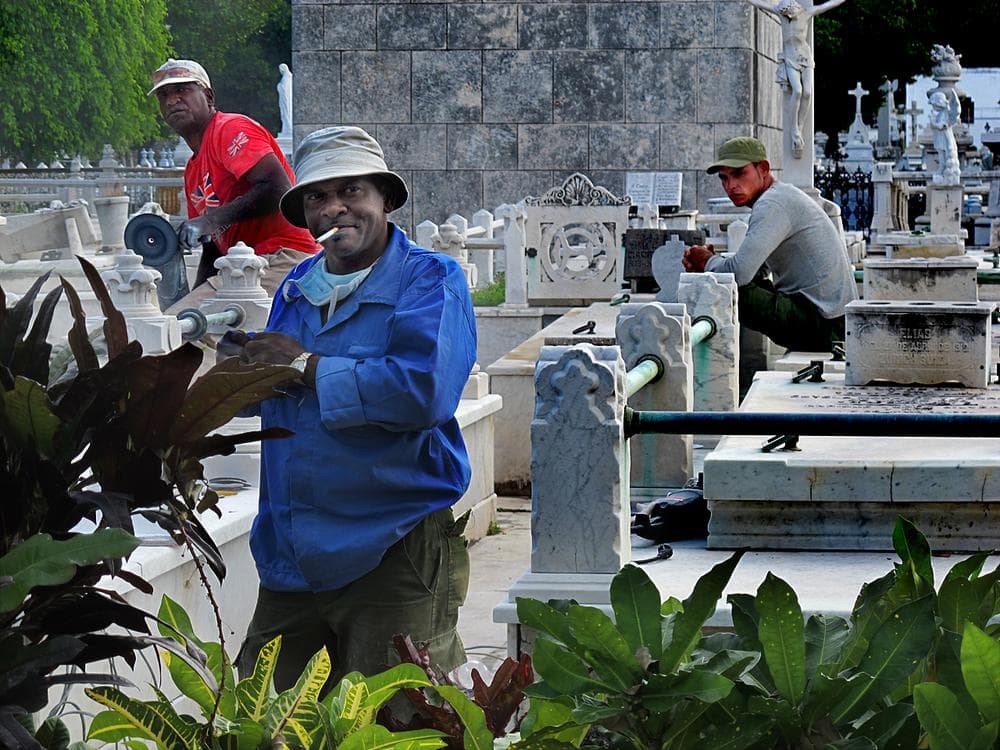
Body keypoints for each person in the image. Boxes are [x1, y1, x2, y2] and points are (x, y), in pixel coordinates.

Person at [220, 126, 478, 690]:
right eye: (317, 196)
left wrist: (306, 365)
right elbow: (286, 387)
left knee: (397, 723)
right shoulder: (296, 287)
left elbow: (424, 391)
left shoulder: (430, 281)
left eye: (353, 191)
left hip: (391, 547)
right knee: (260, 720)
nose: (336, 208)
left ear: (384, 198)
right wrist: (246, 371)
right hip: (292, 554)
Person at [147, 58, 318, 312]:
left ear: (208, 96)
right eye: (164, 95)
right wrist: (193, 298)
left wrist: (208, 220)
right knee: (181, 324)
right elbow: (213, 247)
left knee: (173, 330)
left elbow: (279, 188)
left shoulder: (228, 128)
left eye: (182, 89)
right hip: (242, 267)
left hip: (284, 256)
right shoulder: (193, 169)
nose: (172, 100)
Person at [682, 136, 857, 352]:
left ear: (763, 168)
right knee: (722, 279)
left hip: (828, 327)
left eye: (739, 174)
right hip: (834, 321)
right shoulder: (780, 196)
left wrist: (707, 263)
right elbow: (757, 268)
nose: (731, 186)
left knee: (727, 289)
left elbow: (741, 274)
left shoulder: (772, 203)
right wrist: (712, 262)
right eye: (724, 178)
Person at [747, 0, 846, 158]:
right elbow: (761, 4)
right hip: (790, 59)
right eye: (785, 15)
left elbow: (826, 6)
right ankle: (794, 128)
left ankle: (799, 127)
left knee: (807, 92)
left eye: (789, 14)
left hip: (805, 58)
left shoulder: (806, 13)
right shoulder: (781, 15)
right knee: (798, 91)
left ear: (794, 10)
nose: (788, 17)